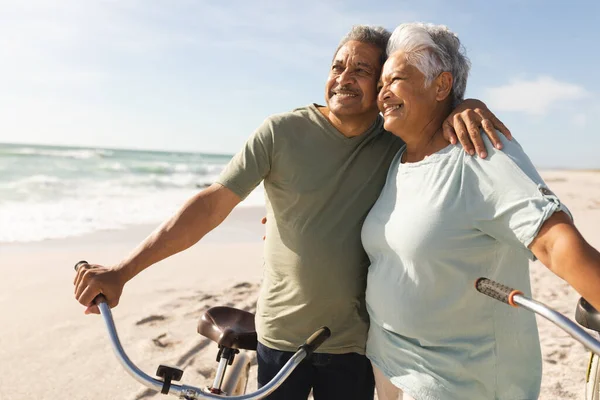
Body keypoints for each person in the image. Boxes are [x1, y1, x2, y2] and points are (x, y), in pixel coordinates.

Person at [74, 25, 510, 400]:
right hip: (280, 332)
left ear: (382, 84)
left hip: (355, 340)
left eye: (361, 70)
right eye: (338, 66)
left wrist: (465, 105)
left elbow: (430, 110)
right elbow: (210, 206)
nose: (344, 78)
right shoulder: (280, 131)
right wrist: (123, 271)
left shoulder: (394, 138)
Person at [361, 22, 600, 400]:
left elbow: (555, 241)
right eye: (380, 86)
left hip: (459, 381)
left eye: (396, 80)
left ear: (441, 85)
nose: (383, 94)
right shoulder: (396, 158)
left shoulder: (478, 151)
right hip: (389, 363)